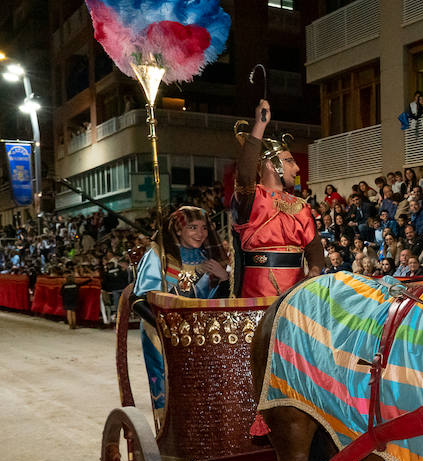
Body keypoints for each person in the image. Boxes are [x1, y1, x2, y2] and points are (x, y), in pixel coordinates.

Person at [133, 206, 228, 414]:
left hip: (196, 334)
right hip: (160, 332)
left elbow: (213, 303)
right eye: (192, 227)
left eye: (203, 228)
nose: (200, 234)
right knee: (170, 388)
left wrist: (224, 279)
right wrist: (167, 327)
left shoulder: (207, 257)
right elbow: (139, 300)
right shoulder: (159, 255)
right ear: (178, 230)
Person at [232, 100, 326, 297]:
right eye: (289, 161)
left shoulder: (301, 206)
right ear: (271, 165)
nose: (297, 168)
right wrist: (260, 125)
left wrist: (315, 270)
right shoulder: (252, 197)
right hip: (258, 291)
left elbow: (314, 246)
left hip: (296, 294)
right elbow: (244, 173)